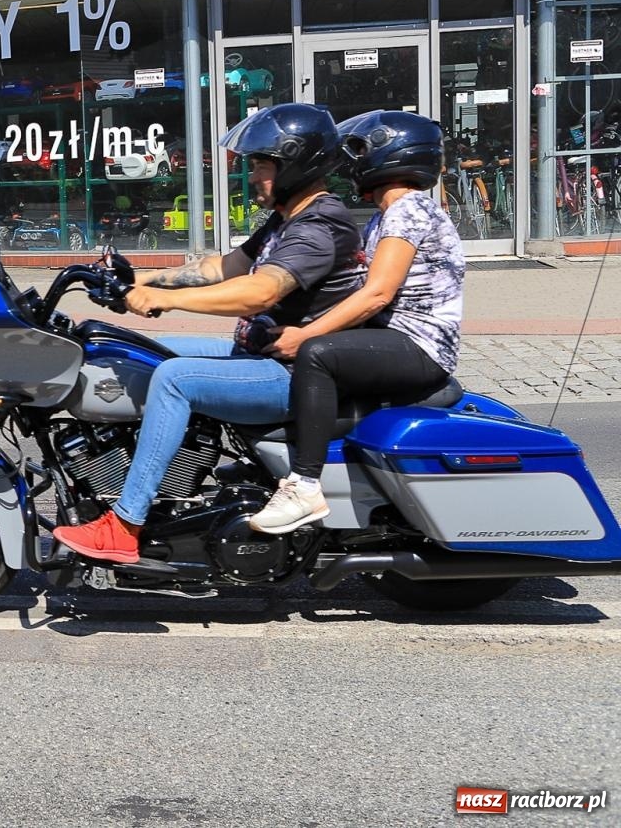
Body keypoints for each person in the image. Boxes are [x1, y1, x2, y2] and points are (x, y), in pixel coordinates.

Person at [54, 103, 364, 565]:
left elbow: (258, 291)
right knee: (132, 351)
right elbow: (224, 267)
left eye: (263, 165)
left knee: (174, 378)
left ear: (298, 166)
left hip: (292, 373)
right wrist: (138, 283)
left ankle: (125, 523)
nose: (255, 175)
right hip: (256, 354)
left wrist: (166, 300)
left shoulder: (321, 226)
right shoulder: (288, 219)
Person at [249, 110, 463, 533]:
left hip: (418, 345)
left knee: (318, 354)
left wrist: (307, 333)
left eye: (359, 149)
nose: (349, 160)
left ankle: (304, 486)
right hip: (393, 337)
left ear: (391, 153)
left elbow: (378, 293)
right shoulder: (389, 213)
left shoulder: (407, 208)